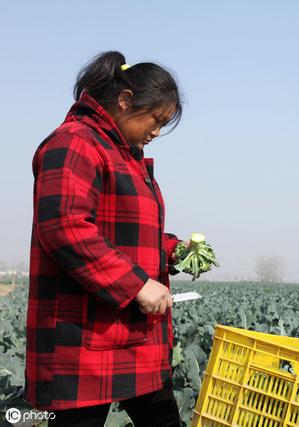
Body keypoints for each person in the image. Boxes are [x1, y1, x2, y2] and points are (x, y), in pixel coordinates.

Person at [27, 51, 187, 427]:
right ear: (125, 100)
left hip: (128, 335)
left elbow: (125, 234)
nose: (157, 132)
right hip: (82, 340)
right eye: (155, 119)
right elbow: (64, 225)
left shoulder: (124, 154)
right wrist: (136, 285)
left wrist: (172, 250)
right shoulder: (74, 143)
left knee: (165, 419)